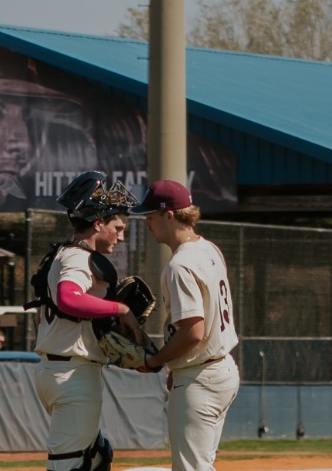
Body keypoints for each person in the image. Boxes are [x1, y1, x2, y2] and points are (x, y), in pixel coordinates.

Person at [33, 171, 143, 471]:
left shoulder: (61, 253)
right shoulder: (79, 257)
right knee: (69, 466)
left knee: (96, 456)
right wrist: (120, 310)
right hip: (73, 376)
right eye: (117, 228)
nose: (121, 237)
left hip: (57, 369)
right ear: (98, 223)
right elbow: (68, 298)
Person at [131, 179, 241, 471]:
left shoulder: (180, 265)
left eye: (150, 216)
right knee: (201, 465)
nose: (147, 223)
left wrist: (156, 360)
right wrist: (174, 364)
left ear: (169, 215)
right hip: (222, 369)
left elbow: (193, 332)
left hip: (200, 377)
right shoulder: (209, 249)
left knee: (190, 468)